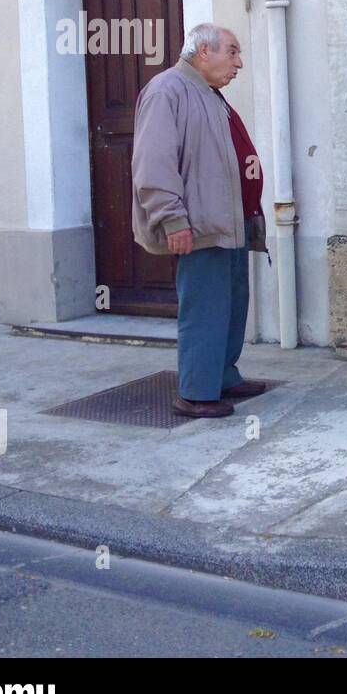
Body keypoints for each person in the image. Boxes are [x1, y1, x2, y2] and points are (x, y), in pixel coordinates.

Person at [131, 23, 267, 419]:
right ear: (203, 51)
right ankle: (195, 392)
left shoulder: (209, 94)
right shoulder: (167, 90)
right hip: (199, 225)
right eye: (233, 52)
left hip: (229, 223)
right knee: (204, 308)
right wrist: (172, 220)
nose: (239, 62)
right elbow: (153, 163)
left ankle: (222, 375)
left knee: (231, 303)